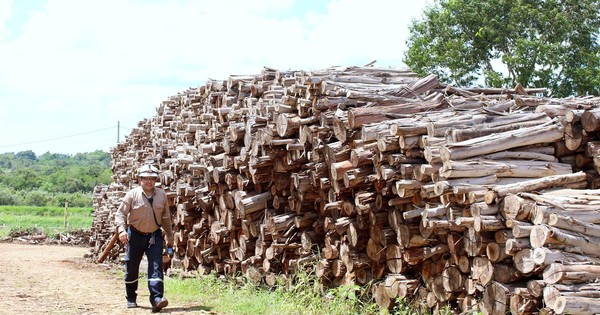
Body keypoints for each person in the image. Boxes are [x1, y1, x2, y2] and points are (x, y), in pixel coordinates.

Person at [115, 164, 174, 312]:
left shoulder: (161, 195)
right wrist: (122, 230)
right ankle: (131, 297)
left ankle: (157, 298)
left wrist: (170, 235)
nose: (149, 182)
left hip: (154, 236)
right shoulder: (132, 195)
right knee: (132, 266)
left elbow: (166, 217)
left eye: (152, 179)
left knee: (156, 267)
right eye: (146, 179)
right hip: (135, 235)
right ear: (140, 179)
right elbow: (120, 214)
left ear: (156, 180)